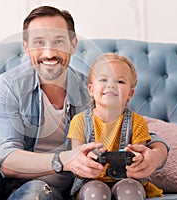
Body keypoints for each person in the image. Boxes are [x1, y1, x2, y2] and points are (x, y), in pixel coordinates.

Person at [0, 6, 169, 200]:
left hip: (47, 189)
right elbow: (6, 159)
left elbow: (133, 127)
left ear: (73, 45)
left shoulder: (89, 90)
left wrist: (155, 156)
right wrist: (64, 160)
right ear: (26, 47)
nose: (49, 53)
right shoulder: (9, 85)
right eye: (39, 42)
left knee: (37, 191)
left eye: (58, 41)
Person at [67, 53, 164, 199]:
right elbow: (76, 161)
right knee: (95, 193)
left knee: (130, 191)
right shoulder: (79, 121)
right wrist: (88, 161)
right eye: (104, 79)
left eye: (119, 81)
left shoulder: (137, 122)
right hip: (90, 181)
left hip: (128, 179)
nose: (111, 85)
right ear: (91, 90)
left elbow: (140, 156)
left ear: (130, 93)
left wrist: (137, 161)